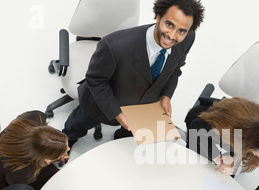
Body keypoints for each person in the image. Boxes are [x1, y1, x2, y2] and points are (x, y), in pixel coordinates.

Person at [62, 0, 205, 147]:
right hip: (103, 102)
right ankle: (65, 141)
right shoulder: (114, 45)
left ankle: (121, 137)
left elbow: (175, 70)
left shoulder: (187, 39)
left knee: (128, 137)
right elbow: (96, 81)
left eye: (182, 30)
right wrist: (117, 113)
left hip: (142, 106)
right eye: (169, 24)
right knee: (77, 124)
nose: (172, 36)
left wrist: (166, 95)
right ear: (158, 16)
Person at [185, 97, 259, 175]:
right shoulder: (227, 128)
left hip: (237, 135)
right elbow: (196, 127)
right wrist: (218, 157)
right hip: (202, 121)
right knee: (196, 163)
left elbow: (241, 151)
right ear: (249, 144)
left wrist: (231, 160)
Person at [0, 110, 70, 190]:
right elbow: (19, 186)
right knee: (58, 189)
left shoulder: (35, 117)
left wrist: (59, 147)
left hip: (5, 160)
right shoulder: (22, 170)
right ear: (41, 158)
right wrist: (47, 162)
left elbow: (47, 137)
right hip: (1, 182)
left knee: (62, 181)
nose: (68, 149)